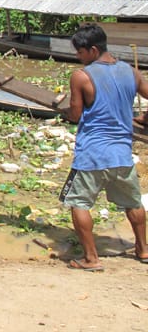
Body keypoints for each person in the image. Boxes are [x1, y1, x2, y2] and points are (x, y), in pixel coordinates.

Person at [61, 23, 148, 271]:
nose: (78, 57)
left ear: (93, 49)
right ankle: (143, 249)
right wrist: (144, 118)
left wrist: (66, 113)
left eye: (80, 52)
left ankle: (91, 258)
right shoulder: (130, 72)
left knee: (79, 203)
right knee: (133, 203)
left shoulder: (82, 76)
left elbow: (76, 115)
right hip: (122, 154)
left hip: (92, 154)